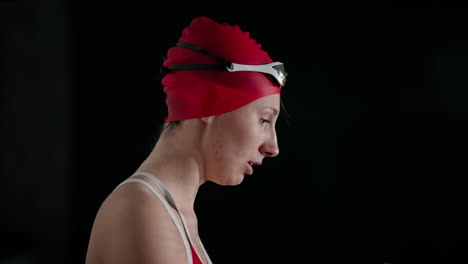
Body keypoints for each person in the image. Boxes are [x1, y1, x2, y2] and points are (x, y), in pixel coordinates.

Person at [85, 15, 287, 264]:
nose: (273, 147)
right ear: (210, 105)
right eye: (264, 120)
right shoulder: (142, 209)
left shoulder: (174, 214)